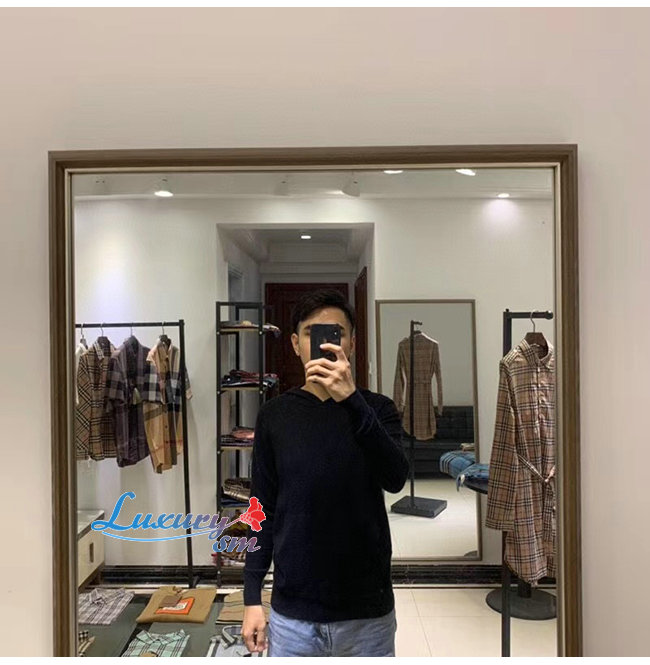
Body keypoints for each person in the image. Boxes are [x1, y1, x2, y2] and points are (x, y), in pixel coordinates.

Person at [241, 288, 410, 657]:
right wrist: (252, 597)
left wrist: (351, 400)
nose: (323, 344)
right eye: (311, 334)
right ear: (295, 344)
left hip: (367, 612)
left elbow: (395, 478)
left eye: (336, 334)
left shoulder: (378, 409)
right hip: (294, 615)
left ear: (351, 343)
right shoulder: (275, 416)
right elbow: (261, 508)